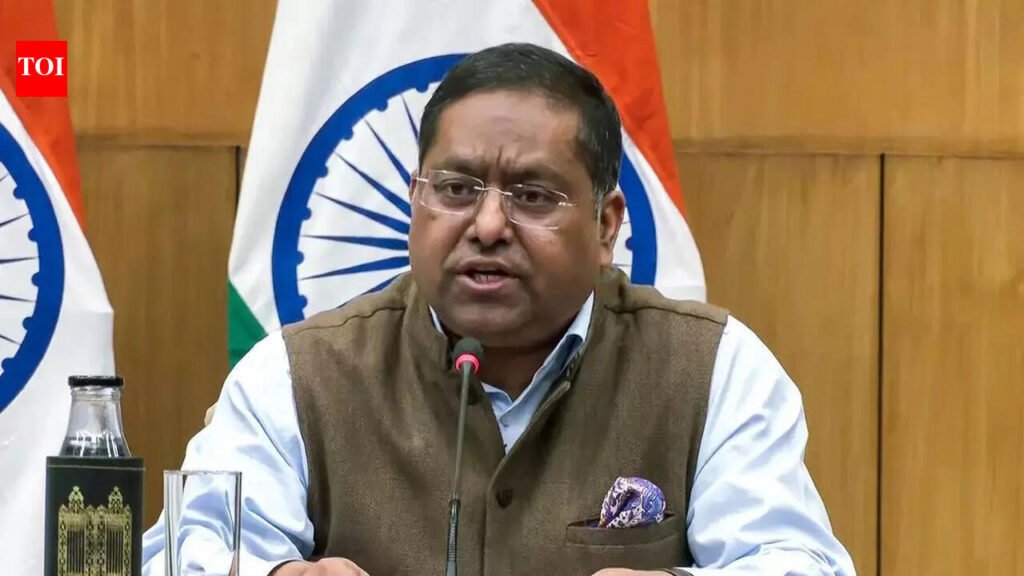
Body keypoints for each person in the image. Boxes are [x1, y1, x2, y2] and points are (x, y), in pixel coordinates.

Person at [141, 43, 856, 576]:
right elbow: (184, 551)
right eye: (455, 190)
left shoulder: (710, 369)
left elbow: (796, 562)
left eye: (533, 196)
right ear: (415, 202)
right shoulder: (297, 375)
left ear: (607, 225)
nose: (486, 226)